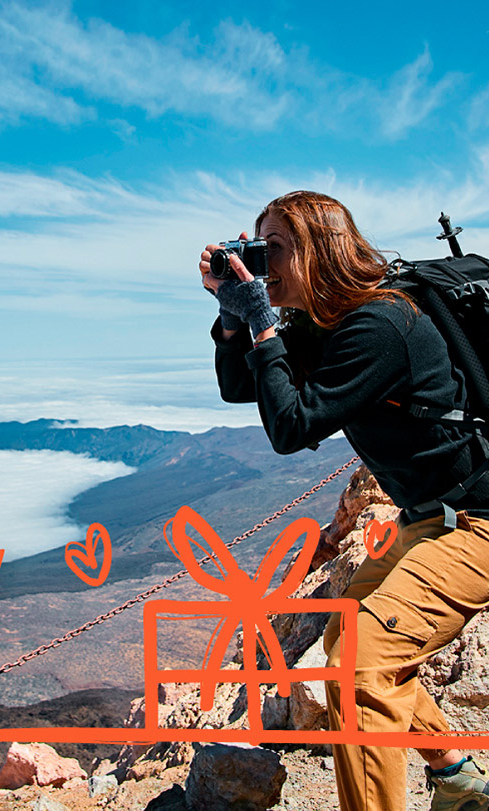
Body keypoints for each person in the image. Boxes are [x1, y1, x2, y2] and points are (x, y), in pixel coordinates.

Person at [200, 190, 489, 811]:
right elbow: (237, 387)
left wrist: (262, 322)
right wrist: (233, 315)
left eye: (272, 248)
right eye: (255, 247)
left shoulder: (380, 323)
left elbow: (291, 428)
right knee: (344, 643)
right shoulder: (324, 324)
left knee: (362, 658)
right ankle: (459, 777)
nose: (260, 261)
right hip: (428, 518)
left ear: (318, 249)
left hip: (479, 524)